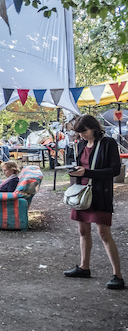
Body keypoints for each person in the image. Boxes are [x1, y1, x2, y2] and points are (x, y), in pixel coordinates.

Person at [64, 115, 123, 290]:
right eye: (79, 132)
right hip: (81, 193)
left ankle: (117, 275)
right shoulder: (81, 144)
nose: (81, 135)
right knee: (83, 230)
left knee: (104, 233)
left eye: (84, 131)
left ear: (94, 128)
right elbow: (82, 167)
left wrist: (87, 173)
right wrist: (75, 171)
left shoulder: (108, 143)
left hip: (100, 193)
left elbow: (114, 170)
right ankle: (84, 267)